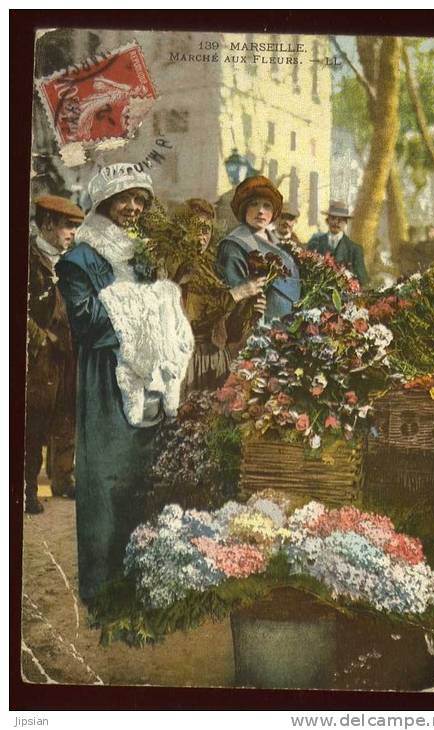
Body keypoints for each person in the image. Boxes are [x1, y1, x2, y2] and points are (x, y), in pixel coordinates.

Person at [56, 163, 192, 603]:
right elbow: (87, 322)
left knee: (141, 474)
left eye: (140, 200)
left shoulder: (143, 254)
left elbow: (160, 306)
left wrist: (158, 308)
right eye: (124, 198)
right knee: (106, 476)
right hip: (105, 378)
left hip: (146, 372)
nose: (133, 207)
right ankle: (103, 584)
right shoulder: (80, 258)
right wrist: (142, 311)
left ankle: (138, 576)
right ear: (104, 201)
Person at [25, 195, 84, 514]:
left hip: (67, 349)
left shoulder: (70, 260)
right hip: (39, 354)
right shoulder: (27, 256)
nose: (72, 233)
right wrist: (39, 336)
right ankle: (25, 488)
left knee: (66, 413)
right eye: (67, 226)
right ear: (47, 224)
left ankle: (63, 477)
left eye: (75, 226)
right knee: (33, 419)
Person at [172, 198, 266, 392]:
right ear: (182, 231)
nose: (201, 237)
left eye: (206, 230)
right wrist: (236, 294)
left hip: (216, 360)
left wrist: (248, 308)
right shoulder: (178, 268)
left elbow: (230, 333)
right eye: (195, 229)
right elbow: (193, 320)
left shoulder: (213, 269)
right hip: (191, 361)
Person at [216, 176, 301, 322]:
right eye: (254, 204)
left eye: (267, 205)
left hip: (287, 325)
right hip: (254, 328)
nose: (261, 211)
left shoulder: (278, 243)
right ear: (244, 209)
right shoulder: (233, 247)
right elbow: (230, 297)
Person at [307, 200, 368, 286]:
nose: (336, 222)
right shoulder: (315, 243)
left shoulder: (354, 249)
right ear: (327, 220)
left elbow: (363, 280)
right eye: (333, 218)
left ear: (346, 223)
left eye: (341, 220)